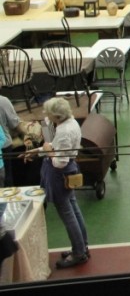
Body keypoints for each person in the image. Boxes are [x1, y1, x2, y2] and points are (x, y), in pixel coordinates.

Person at [25, 97, 90, 267]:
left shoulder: (63, 131)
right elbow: (55, 146)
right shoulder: (70, 123)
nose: (45, 114)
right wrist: (38, 150)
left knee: (67, 214)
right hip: (68, 171)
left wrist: (47, 151)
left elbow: (59, 161)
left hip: (59, 174)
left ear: (56, 115)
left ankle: (79, 253)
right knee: (73, 209)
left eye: (47, 112)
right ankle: (82, 246)